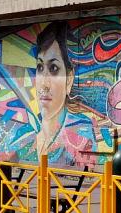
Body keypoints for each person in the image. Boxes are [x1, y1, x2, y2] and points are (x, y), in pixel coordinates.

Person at [34, 22, 95, 165]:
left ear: (69, 79)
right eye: (40, 67)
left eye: (54, 68)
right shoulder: (28, 131)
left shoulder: (81, 131)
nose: (44, 84)